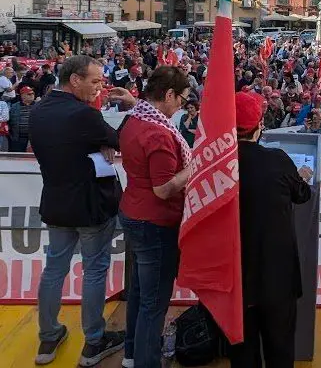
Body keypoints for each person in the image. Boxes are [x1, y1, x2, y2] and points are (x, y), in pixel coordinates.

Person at [31, 55, 134, 366]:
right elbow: (121, 140)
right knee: (95, 271)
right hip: (91, 207)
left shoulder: (38, 110)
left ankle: (48, 338)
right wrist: (130, 107)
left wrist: (96, 144)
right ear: (74, 80)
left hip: (57, 204)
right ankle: (94, 341)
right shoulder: (83, 116)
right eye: (94, 81)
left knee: (53, 270)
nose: (99, 87)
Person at [231, 90, 313, 368]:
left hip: (235, 275)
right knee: (280, 347)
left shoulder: (219, 164)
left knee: (242, 348)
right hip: (276, 275)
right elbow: (302, 195)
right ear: (260, 126)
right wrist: (301, 177)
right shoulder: (277, 159)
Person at [118, 66, 192, 368]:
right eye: (182, 99)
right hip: (156, 221)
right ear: (170, 94)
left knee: (138, 290)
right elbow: (163, 189)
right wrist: (193, 167)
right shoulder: (159, 134)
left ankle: (132, 353)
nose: (182, 106)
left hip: (134, 212)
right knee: (154, 303)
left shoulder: (137, 119)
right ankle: (146, 361)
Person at [9, 85, 36, 152]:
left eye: (33, 93)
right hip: (18, 139)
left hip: (34, 139)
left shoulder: (39, 106)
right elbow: (9, 122)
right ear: (22, 96)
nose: (32, 95)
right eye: (29, 94)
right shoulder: (14, 107)